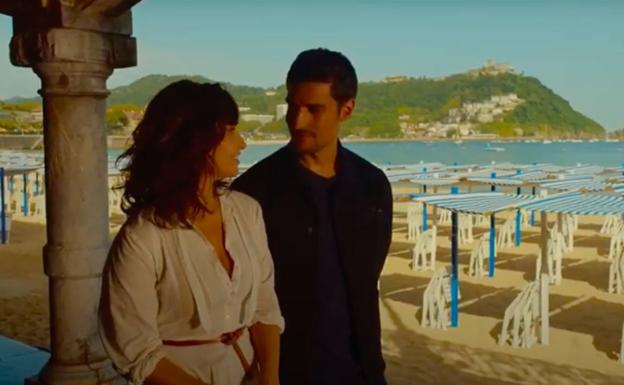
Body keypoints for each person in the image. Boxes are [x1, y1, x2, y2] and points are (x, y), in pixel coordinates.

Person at [99, 80, 284, 385]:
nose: (242, 143)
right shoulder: (144, 236)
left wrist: (271, 378)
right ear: (197, 141)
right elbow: (135, 349)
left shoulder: (247, 212)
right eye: (231, 131)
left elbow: (265, 305)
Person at [232, 48, 392, 385]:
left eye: (313, 109)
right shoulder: (252, 193)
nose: (297, 120)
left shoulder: (373, 186)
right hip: (283, 372)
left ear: (346, 109)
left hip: (363, 370)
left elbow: (367, 280)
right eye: (292, 106)